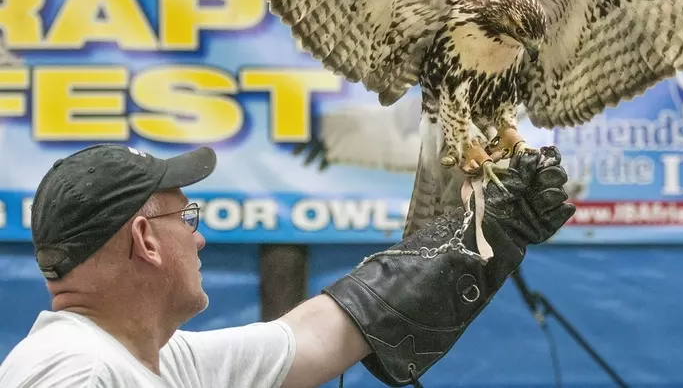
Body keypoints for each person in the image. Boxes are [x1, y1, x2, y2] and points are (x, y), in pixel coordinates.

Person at [0, 142, 575, 387]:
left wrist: (488, 229)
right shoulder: (73, 372)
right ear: (146, 240)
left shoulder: (167, 362)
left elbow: (324, 331)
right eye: (188, 219)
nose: (199, 242)